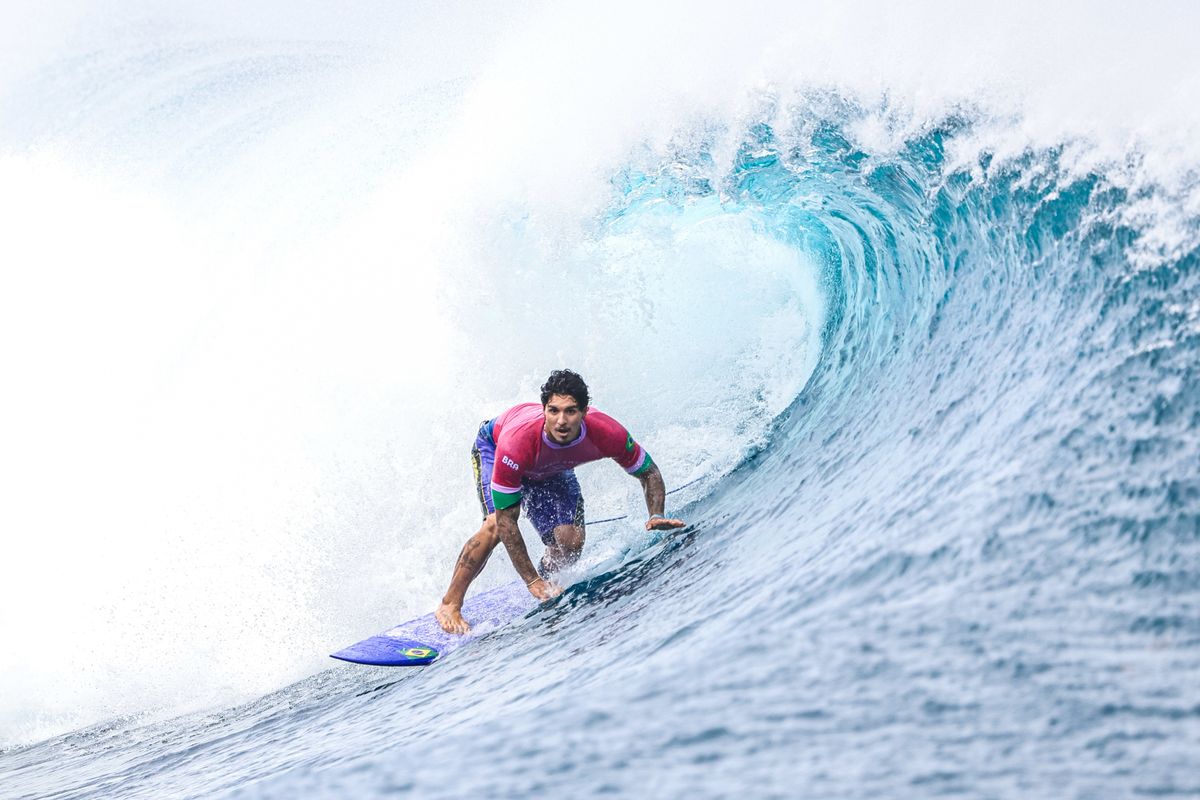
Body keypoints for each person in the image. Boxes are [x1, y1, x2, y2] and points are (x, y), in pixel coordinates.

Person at [435, 369, 686, 634]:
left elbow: (648, 472)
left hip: (550, 467)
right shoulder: (516, 442)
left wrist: (656, 514)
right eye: (553, 410)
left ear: (585, 412)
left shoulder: (606, 432)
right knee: (494, 525)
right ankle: (450, 603)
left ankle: (547, 573)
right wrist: (531, 580)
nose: (561, 421)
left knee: (571, 542)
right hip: (494, 449)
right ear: (544, 409)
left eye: (570, 411)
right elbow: (507, 520)